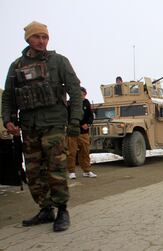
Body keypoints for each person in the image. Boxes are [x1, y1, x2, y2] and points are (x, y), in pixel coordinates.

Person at [1, 21, 82, 232]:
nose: (41, 41)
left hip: (54, 124)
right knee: (34, 172)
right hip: (29, 127)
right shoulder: (16, 66)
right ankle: (46, 209)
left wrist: (74, 121)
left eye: (44, 37)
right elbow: (8, 96)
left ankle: (62, 210)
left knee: (56, 169)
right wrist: (7, 119)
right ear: (28, 39)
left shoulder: (59, 61)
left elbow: (75, 91)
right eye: (37, 37)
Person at [67, 87, 96, 179]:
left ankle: (86, 171)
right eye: (80, 94)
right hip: (72, 132)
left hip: (84, 132)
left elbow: (91, 116)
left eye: (83, 94)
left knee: (85, 152)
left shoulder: (86, 103)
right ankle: (71, 171)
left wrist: (88, 124)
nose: (82, 96)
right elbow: (66, 116)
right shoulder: (70, 103)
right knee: (71, 152)